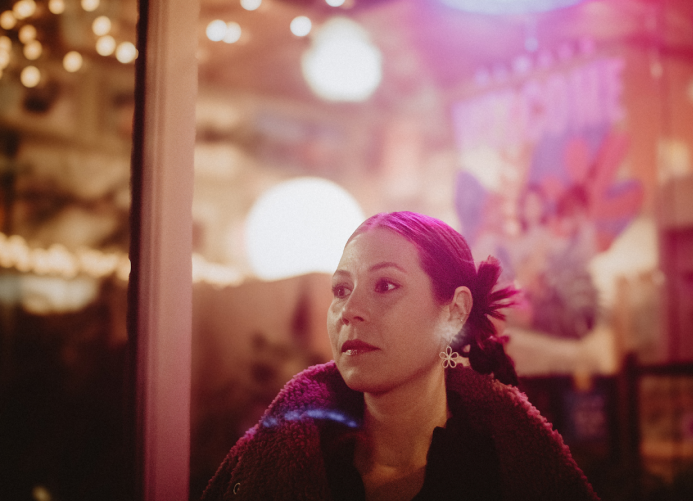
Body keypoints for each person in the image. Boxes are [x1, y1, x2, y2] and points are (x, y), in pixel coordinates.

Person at [202, 211, 599, 501]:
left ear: (454, 311)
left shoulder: (509, 467)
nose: (350, 309)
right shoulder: (278, 462)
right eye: (341, 290)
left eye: (386, 284)